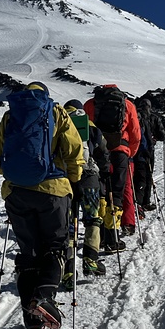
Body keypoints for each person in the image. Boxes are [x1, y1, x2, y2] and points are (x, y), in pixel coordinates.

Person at [0, 82, 83, 329]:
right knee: (55, 247)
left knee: (28, 255)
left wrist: (18, 176)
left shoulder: (11, 116)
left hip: (16, 194)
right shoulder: (56, 113)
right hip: (54, 190)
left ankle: (33, 323)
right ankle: (44, 297)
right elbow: (74, 151)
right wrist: (72, 180)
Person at [83, 85, 140, 254]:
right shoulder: (127, 104)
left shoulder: (90, 104)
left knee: (100, 193)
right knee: (116, 193)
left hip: (98, 153)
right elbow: (135, 133)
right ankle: (113, 238)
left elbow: (84, 131)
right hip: (120, 152)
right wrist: (130, 152)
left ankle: (98, 236)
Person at [62, 99, 110, 288]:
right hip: (90, 177)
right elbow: (103, 151)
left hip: (67, 180)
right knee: (92, 219)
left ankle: (68, 270)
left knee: (68, 224)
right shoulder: (90, 125)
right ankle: (91, 260)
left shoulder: (60, 122)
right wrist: (105, 173)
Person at [132, 97, 165, 212]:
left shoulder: (136, 116)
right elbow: (162, 135)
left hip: (134, 150)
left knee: (136, 175)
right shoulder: (154, 118)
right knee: (147, 175)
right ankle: (144, 202)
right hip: (148, 151)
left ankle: (136, 200)